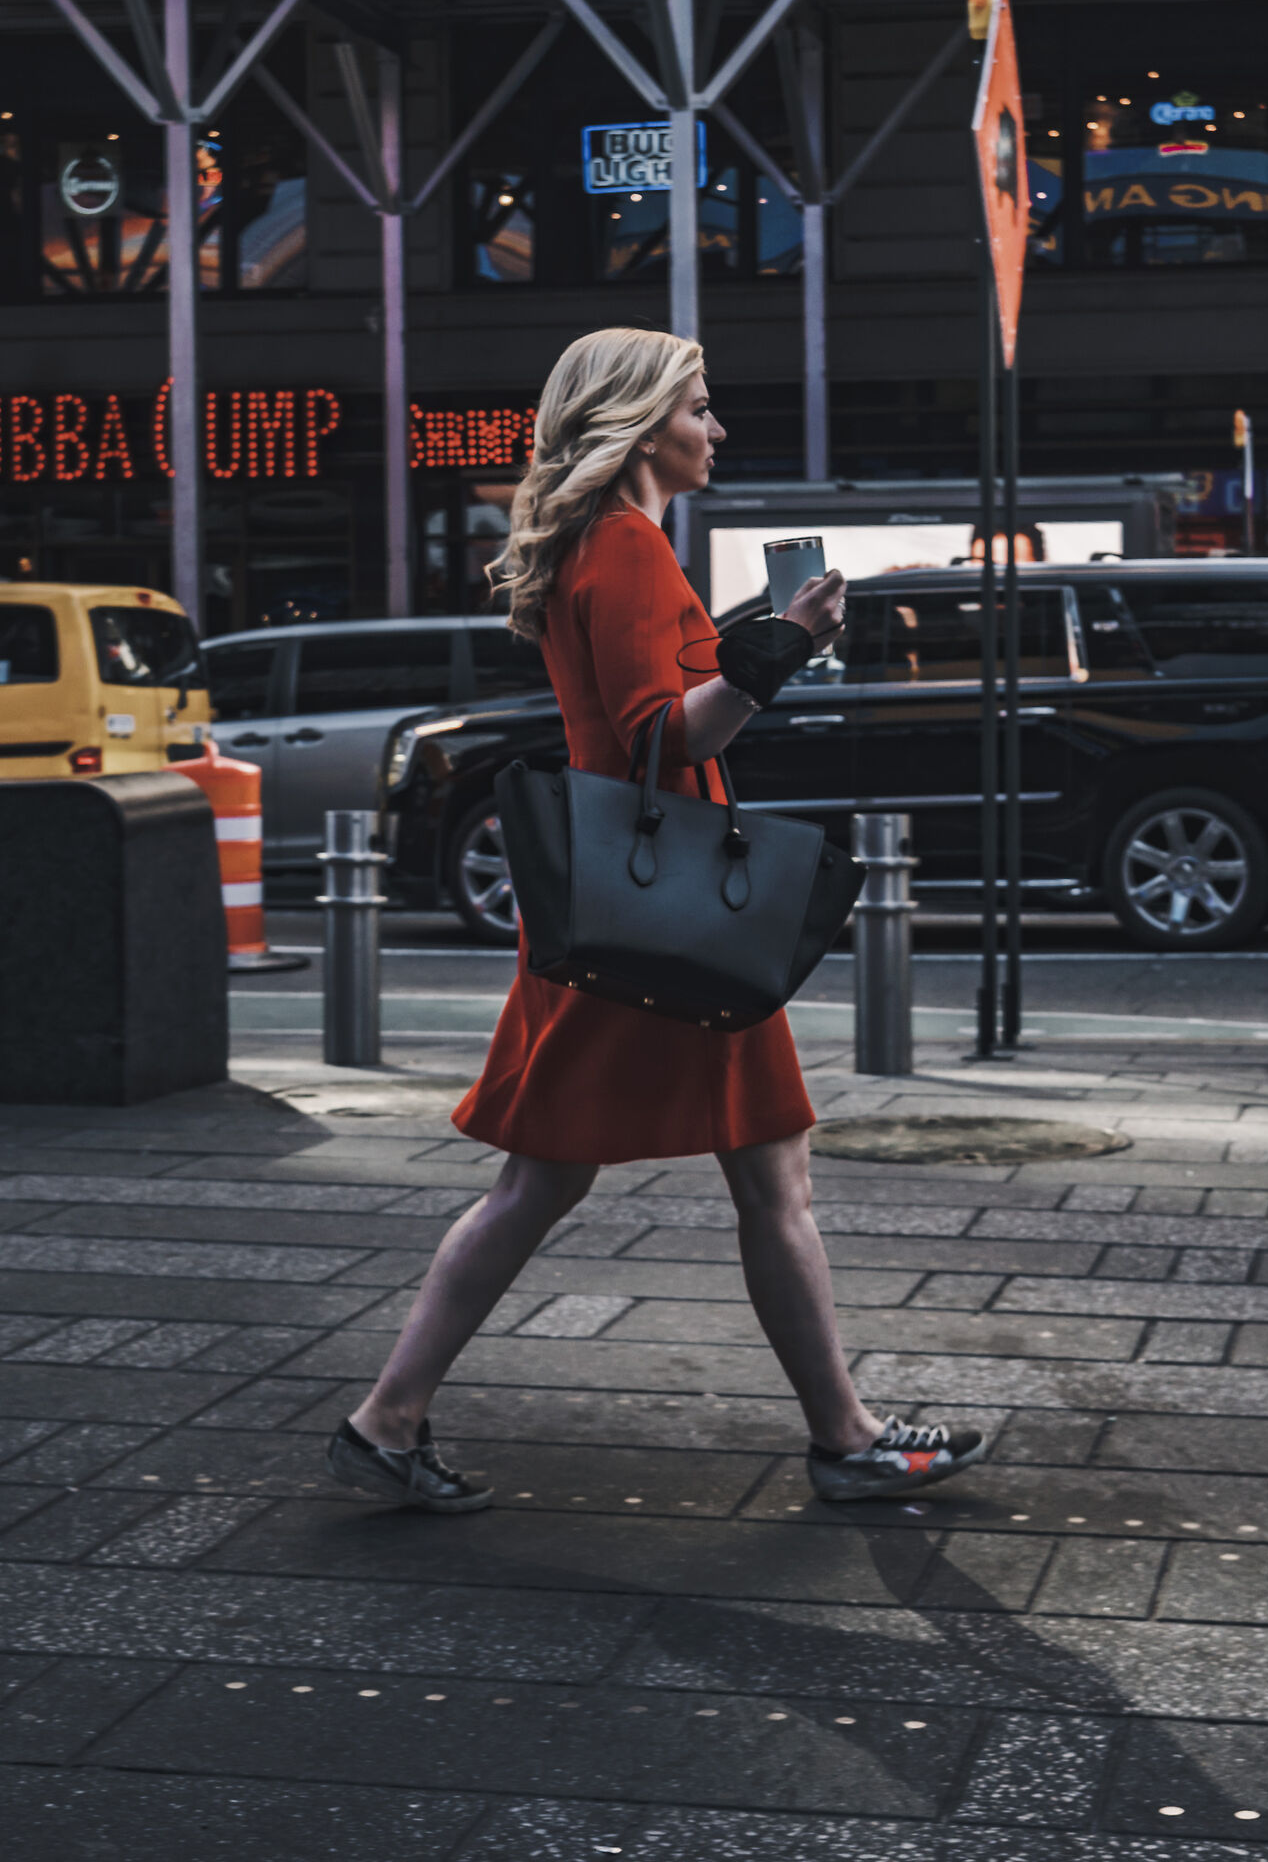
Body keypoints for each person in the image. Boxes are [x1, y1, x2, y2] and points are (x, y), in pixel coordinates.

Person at [325, 328, 984, 1513]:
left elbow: (646, 716)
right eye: (699, 406)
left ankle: (389, 1418)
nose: (715, 428)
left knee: (564, 1184)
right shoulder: (624, 547)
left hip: (625, 909)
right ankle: (844, 1439)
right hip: (673, 919)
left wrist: (763, 647)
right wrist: (782, 650)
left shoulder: (602, 543)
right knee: (742, 1182)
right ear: (638, 421)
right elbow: (658, 735)